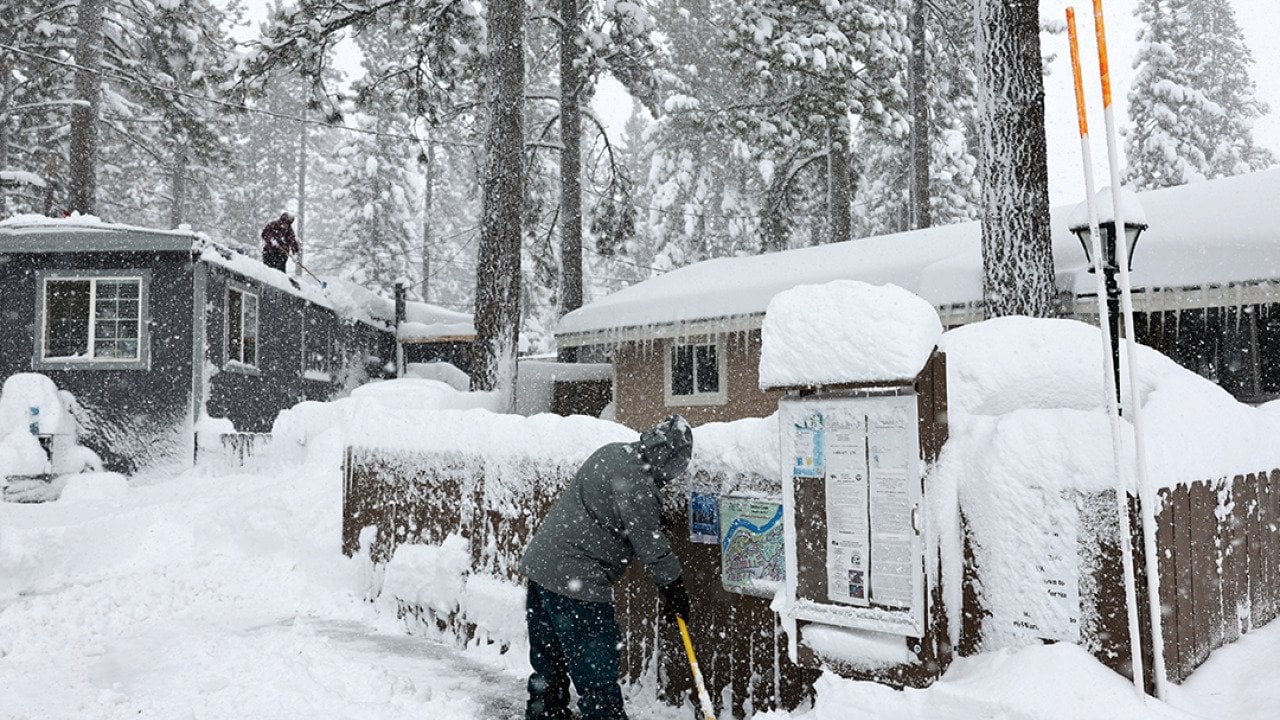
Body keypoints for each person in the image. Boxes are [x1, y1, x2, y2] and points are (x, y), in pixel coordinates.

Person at [520, 415, 694, 720]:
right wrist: (674, 588)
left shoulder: (612, 451)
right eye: (678, 466)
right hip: (578, 581)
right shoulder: (638, 483)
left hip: (541, 569)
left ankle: (545, 713)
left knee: (549, 663)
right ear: (668, 457)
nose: (675, 475)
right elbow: (652, 547)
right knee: (596, 671)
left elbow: (611, 509)